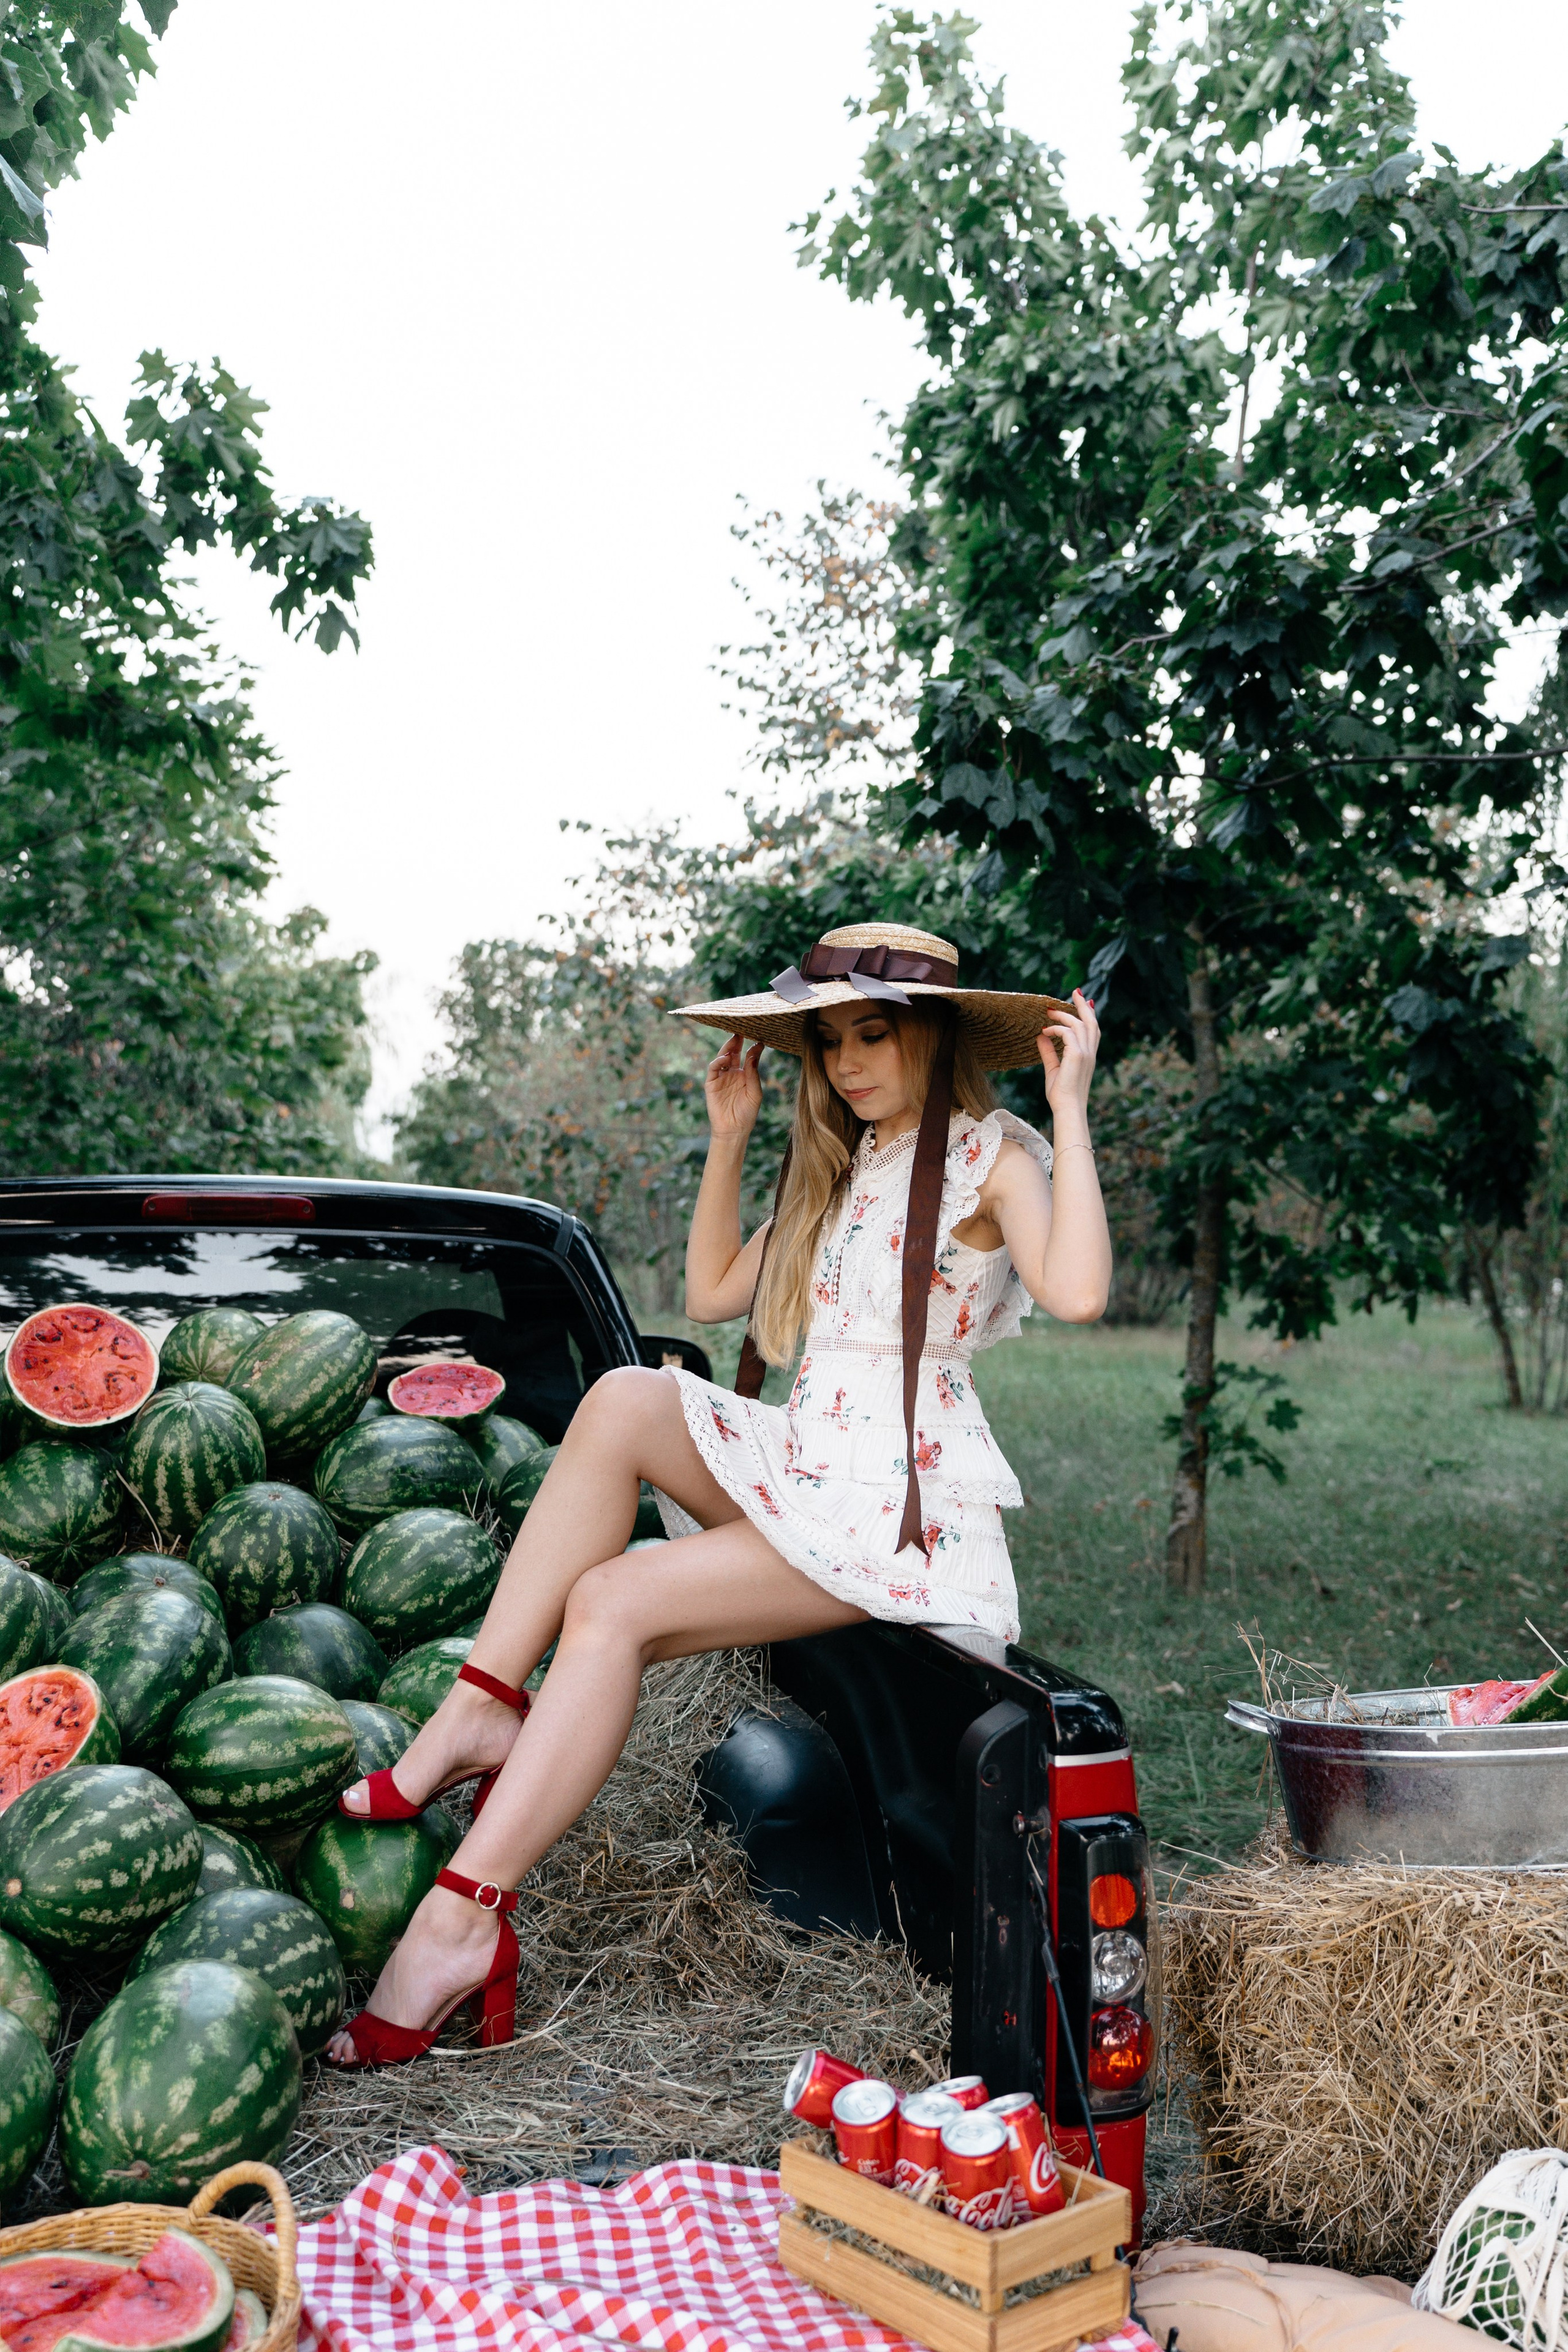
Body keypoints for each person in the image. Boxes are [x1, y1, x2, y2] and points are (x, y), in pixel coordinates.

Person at [327, 921, 1110, 2066]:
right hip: (811, 1462)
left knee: (612, 1602)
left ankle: (455, 1923)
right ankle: (482, 1701)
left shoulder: (997, 1155)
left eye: (873, 1034)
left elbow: (1080, 1290)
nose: (846, 1062)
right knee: (627, 1400)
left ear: (933, 1035)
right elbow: (708, 1290)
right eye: (828, 1041)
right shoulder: (852, 1164)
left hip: (896, 1507)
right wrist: (732, 1137)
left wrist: (1072, 1110)